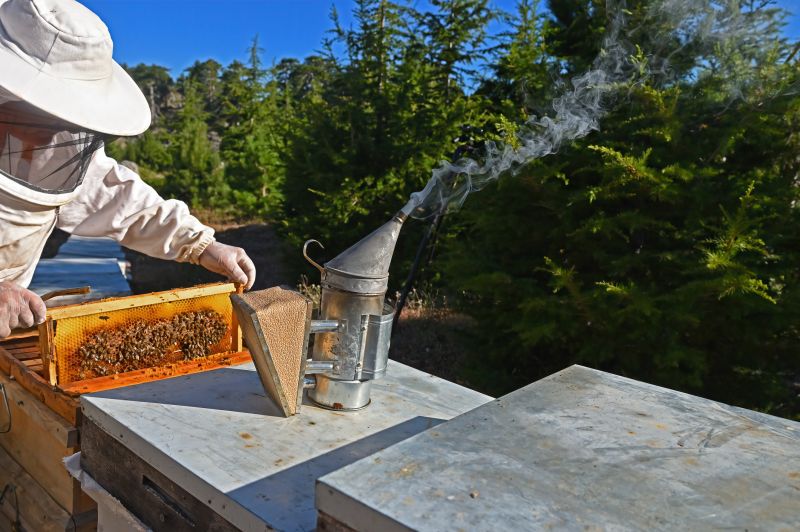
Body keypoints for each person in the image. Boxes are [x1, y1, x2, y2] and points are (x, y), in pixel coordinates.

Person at [0, 0, 256, 338]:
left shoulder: (54, 148)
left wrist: (200, 244)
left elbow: (111, 194)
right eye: (43, 111)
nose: (56, 126)